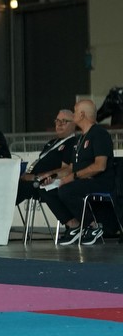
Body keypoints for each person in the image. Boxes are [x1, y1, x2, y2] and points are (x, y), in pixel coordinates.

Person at [40, 99, 114, 245]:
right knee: (47, 189)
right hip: (81, 180)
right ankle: (74, 225)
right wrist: (53, 176)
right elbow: (71, 168)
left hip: (99, 181)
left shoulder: (99, 134)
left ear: (82, 114)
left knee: (67, 190)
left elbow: (100, 166)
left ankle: (92, 226)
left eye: (75, 112)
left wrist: (73, 177)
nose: (73, 114)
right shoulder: (80, 139)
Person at [17, 109, 76, 204]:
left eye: (64, 121)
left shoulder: (72, 143)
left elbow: (66, 170)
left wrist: (36, 177)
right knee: (9, 184)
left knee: (14, 189)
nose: (59, 124)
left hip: (44, 183)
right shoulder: (52, 142)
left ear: (74, 124)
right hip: (31, 179)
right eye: (57, 121)